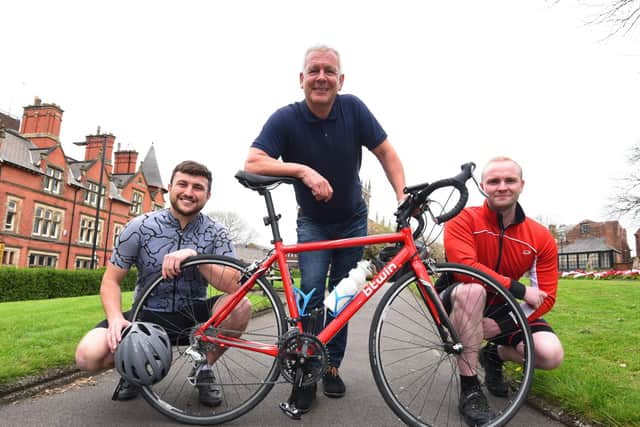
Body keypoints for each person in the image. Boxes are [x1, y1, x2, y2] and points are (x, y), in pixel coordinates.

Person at [244, 45, 406, 412]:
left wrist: (401, 198)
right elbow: (253, 159)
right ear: (302, 79)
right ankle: (305, 370)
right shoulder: (286, 119)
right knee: (313, 295)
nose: (321, 77)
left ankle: (330, 365)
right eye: (314, 70)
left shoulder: (354, 109)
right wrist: (301, 170)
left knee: (344, 297)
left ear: (340, 80)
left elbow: (387, 153)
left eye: (329, 71)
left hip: (352, 219)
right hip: (313, 222)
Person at [75, 160, 251, 406]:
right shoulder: (140, 227)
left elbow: (234, 285)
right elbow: (110, 281)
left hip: (195, 317)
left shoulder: (216, 233)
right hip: (147, 316)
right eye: (183, 184)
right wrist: (115, 319)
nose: (189, 192)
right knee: (87, 356)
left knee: (241, 305)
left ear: (208, 196)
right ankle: (132, 369)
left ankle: (203, 368)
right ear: (170, 187)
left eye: (198, 187)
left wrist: (195, 257)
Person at [440, 156, 564, 426]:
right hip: (459, 295)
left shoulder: (540, 236)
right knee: (472, 291)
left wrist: (503, 323)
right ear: (483, 186)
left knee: (550, 354)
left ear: (522, 185)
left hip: (505, 308)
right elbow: (465, 269)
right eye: (494, 181)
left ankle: (492, 356)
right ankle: (470, 387)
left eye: (510, 180)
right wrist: (518, 288)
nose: (502, 187)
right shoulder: (463, 218)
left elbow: (546, 296)